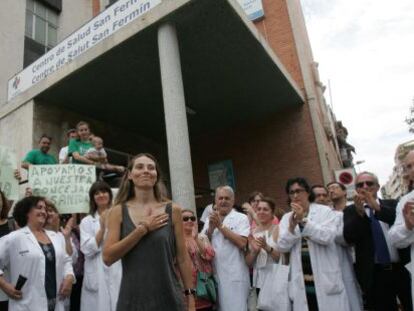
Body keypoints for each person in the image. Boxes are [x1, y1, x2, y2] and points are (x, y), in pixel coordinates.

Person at [103, 153, 195, 311]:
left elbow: (183, 259)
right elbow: (108, 257)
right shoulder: (117, 212)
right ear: (130, 175)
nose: (146, 170)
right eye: (140, 167)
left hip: (170, 299)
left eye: (151, 168)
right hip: (132, 301)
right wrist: (142, 230)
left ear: (156, 175)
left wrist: (190, 297)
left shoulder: (173, 210)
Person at [277, 177, 350, 311]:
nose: (295, 195)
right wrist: (291, 228)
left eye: (298, 191)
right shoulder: (286, 218)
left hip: (325, 277)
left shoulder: (324, 211)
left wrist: (303, 222)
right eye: (291, 192)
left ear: (307, 193)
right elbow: (282, 246)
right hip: (302, 279)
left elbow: (327, 237)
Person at [343, 172, 411, 311]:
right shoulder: (351, 210)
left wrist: (377, 207)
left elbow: (400, 222)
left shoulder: (393, 204)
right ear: (356, 189)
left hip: (402, 268)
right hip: (375, 274)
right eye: (360, 184)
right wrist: (360, 214)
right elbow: (349, 237)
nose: (365, 186)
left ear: (378, 187)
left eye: (369, 183)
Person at [0, 196, 75, 311]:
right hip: (26, 305)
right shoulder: (15, 238)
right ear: (27, 212)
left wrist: (69, 277)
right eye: (39, 208)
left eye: (45, 209)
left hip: (55, 304)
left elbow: (66, 261)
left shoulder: (55, 237)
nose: (44, 212)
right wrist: (4, 286)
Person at [202, 186, 250, 311]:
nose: (223, 201)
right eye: (220, 198)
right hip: (215, 275)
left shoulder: (241, 218)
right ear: (216, 201)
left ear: (233, 201)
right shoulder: (209, 219)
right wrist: (211, 229)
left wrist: (220, 226)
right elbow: (202, 244)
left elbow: (242, 243)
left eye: (227, 198)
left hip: (235, 276)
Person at [80, 181, 122, 311]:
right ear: (93, 198)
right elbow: (86, 249)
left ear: (109, 195)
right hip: (96, 268)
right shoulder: (86, 221)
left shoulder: (121, 216)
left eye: (104, 192)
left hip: (117, 266)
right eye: (96, 193)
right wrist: (102, 228)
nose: (101, 195)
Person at [327, 182, 363, 311]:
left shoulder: (355, 208)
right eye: (329, 189)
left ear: (344, 192)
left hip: (361, 257)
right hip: (342, 260)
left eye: (335, 188)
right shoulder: (327, 214)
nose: (331, 191)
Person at [389, 150, 414, 308]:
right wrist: (408, 226)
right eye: (409, 166)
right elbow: (394, 239)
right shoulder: (406, 201)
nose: (412, 170)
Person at [245, 197, 280, 297]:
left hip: (276, 280)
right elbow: (248, 263)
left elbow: (282, 259)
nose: (261, 212)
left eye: (265, 209)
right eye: (259, 209)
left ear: (272, 213)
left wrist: (267, 247)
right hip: (260, 282)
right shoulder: (253, 232)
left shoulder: (278, 229)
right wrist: (254, 252)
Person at [182, 209, 215, 311]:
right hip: (184, 291)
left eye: (192, 218)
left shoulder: (202, 237)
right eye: (185, 219)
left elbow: (209, 255)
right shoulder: (175, 240)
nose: (189, 221)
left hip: (203, 288)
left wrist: (195, 238)